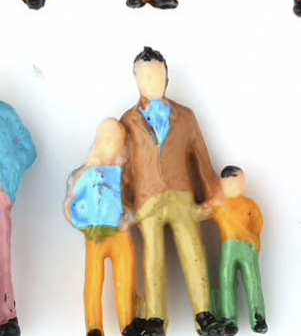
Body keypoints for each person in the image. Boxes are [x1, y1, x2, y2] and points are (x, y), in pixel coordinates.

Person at [120, 47, 233, 336]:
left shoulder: (185, 116)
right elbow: (123, 166)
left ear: (167, 79)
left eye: (158, 76)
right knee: (152, 258)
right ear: (136, 80)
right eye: (146, 77)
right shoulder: (127, 121)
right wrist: (124, 203)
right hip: (147, 200)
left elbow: (201, 157)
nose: (153, 82)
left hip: (182, 195)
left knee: (194, 251)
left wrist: (212, 195)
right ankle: (156, 318)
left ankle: (204, 314)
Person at [63, 118, 141, 336]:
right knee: (94, 280)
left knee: (125, 278)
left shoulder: (123, 175)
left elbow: (133, 202)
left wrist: (129, 218)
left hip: (120, 233)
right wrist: (82, 224)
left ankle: (128, 323)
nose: (111, 144)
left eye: (117, 141)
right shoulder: (84, 174)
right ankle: (94, 327)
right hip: (96, 234)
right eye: (107, 138)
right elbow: (69, 203)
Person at [212, 166, 267, 334]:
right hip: (228, 247)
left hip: (246, 245)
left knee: (252, 280)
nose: (231, 187)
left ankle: (258, 317)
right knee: (226, 279)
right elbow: (204, 212)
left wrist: (254, 241)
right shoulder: (219, 205)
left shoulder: (249, 204)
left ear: (243, 182)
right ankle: (229, 318)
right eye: (227, 184)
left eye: (236, 182)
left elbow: (258, 222)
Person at [0, 100, 35, 336]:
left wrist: (5, 181)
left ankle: (5, 317)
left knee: (1, 257)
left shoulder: (4, 113)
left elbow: (28, 151)